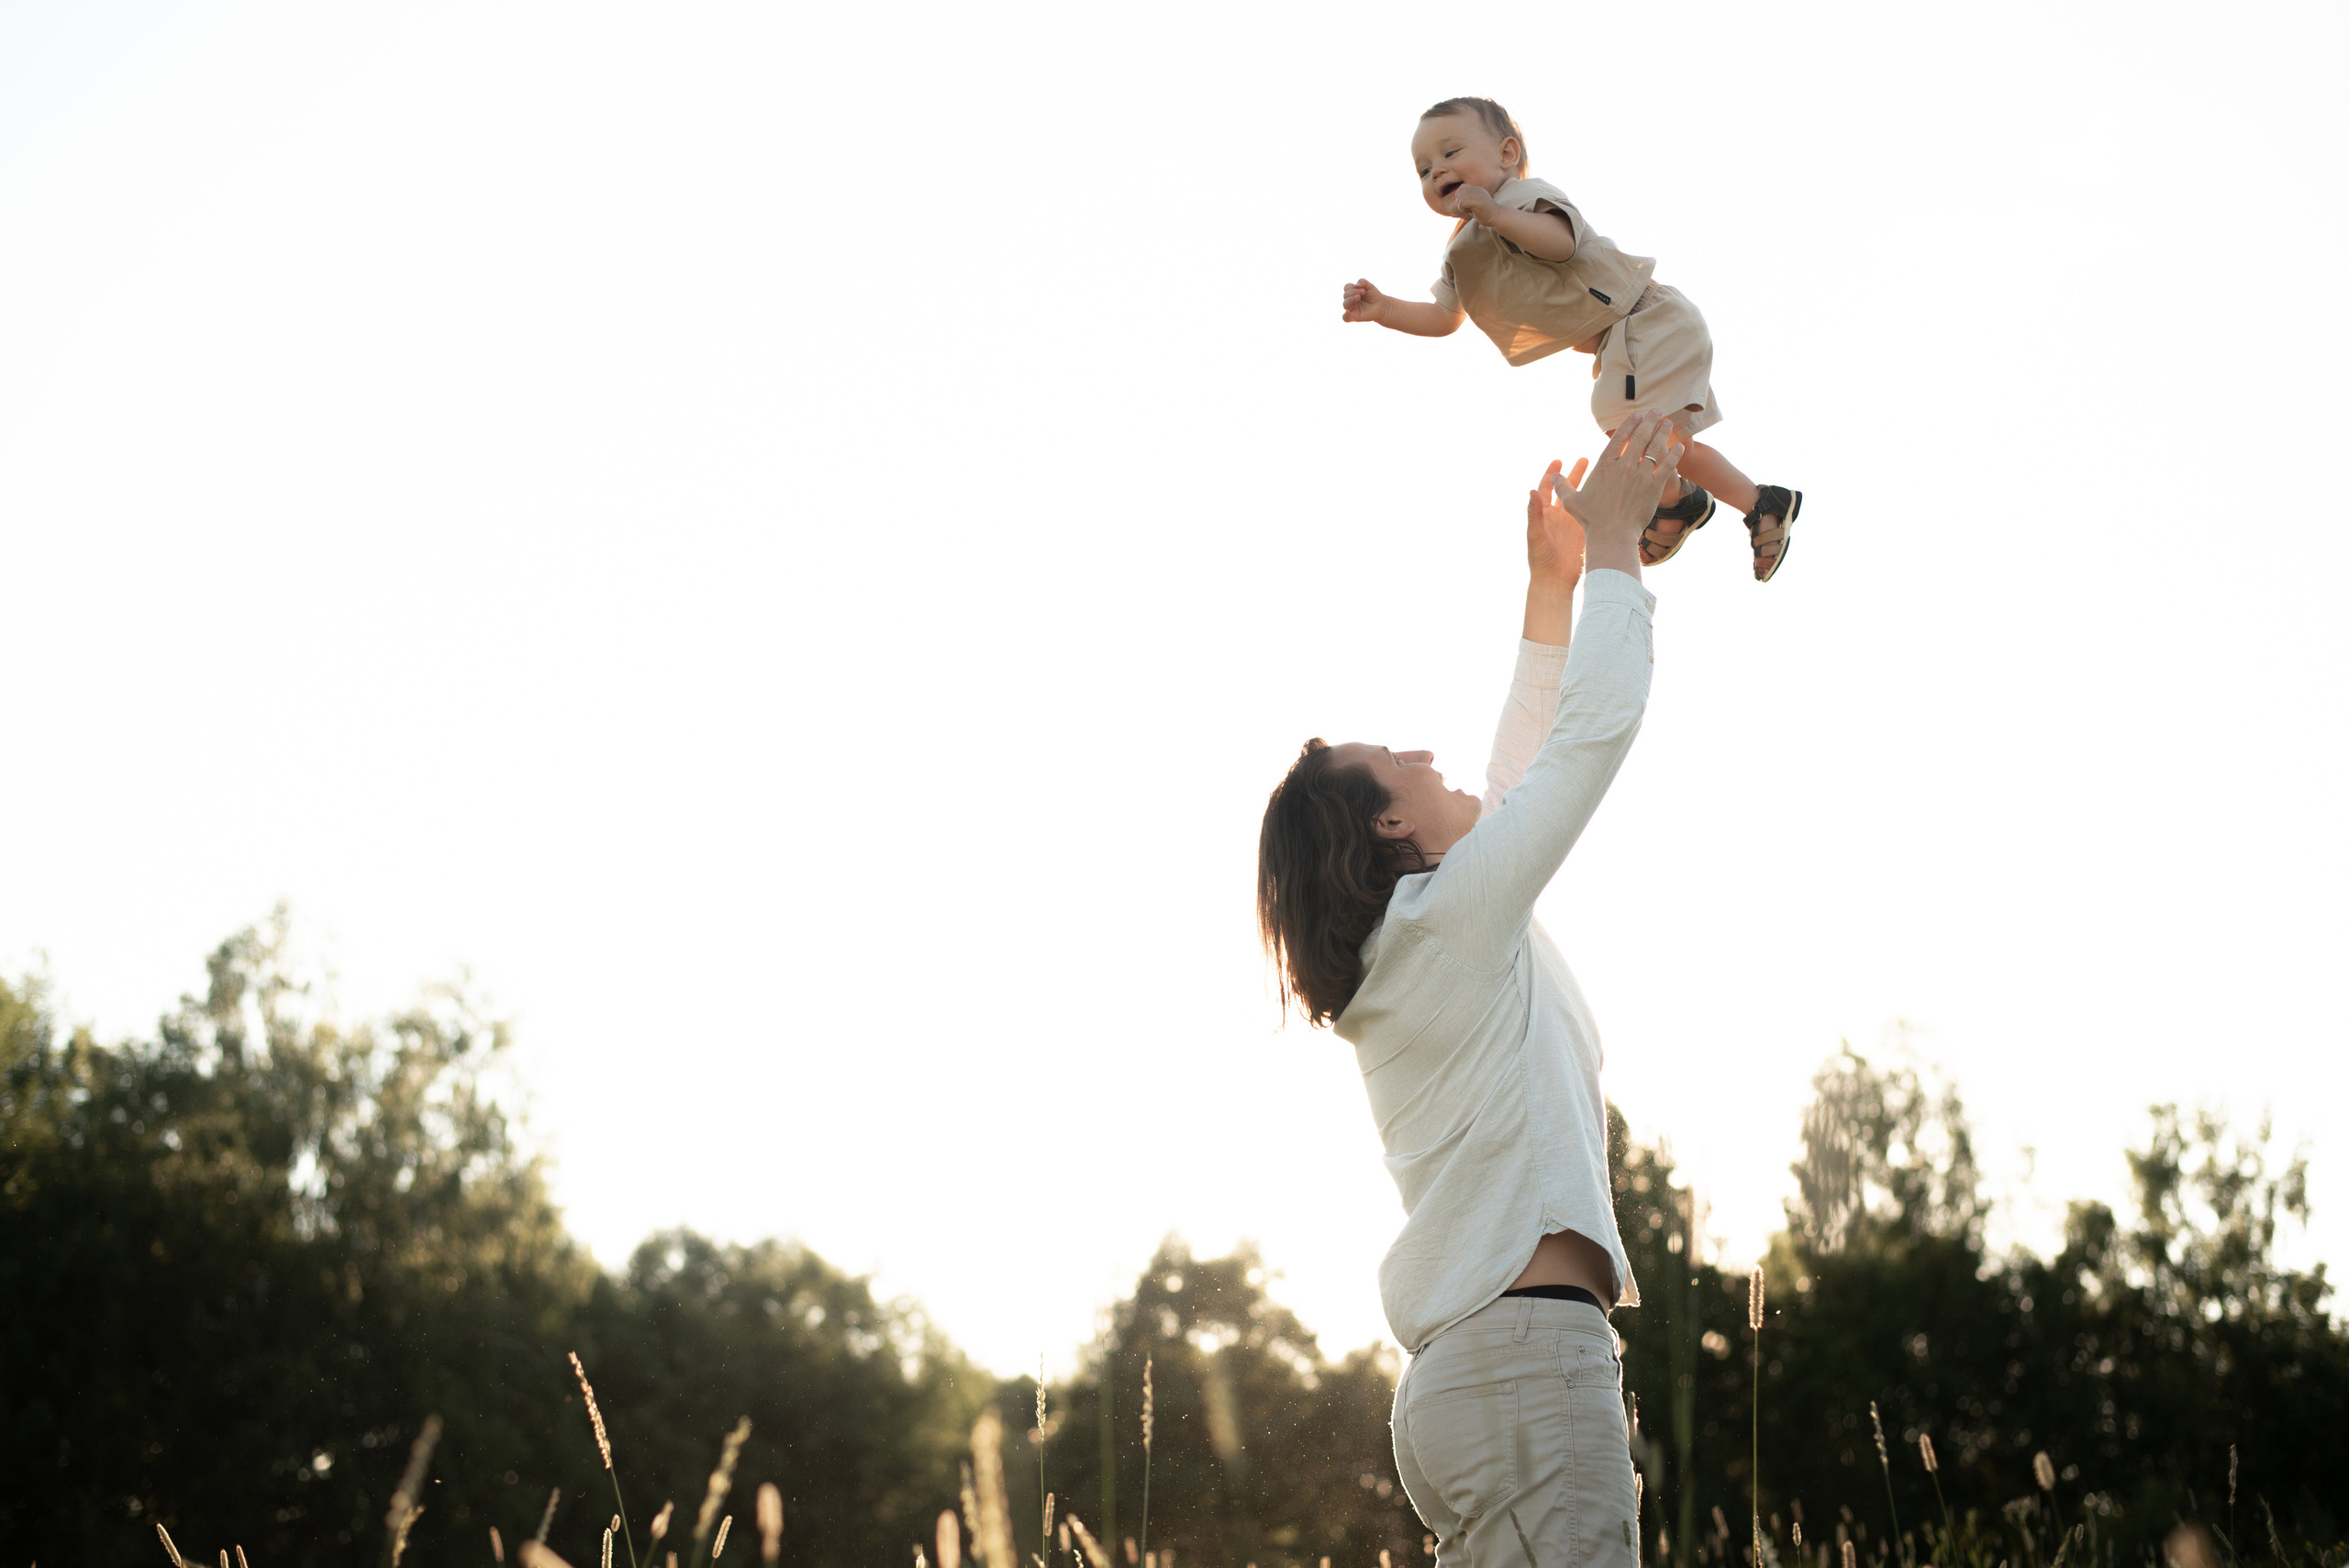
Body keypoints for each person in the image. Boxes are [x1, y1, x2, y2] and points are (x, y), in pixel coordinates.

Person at [1255, 411, 1681, 1568]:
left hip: (1485, 1369)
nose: (1425, 755)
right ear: (1389, 821)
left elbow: (1518, 770)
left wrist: (1549, 593)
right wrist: (1610, 558)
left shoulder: (1429, 933)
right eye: (1399, 761)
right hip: (1525, 1362)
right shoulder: (1446, 924)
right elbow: (1585, 742)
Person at [1342, 95, 1802, 582]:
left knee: (1633, 430)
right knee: (1649, 438)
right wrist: (1386, 310)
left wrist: (1497, 214)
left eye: (1451, 153)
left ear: (1506, 154)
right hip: (1620, 342)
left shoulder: (1522, 198)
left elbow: (1560, 244)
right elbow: (1443, 317)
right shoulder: (1462, 249)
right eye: (1423, 169)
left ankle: (1693, 501)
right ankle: (1721, 500)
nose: (1436, 172)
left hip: (1646, 318)